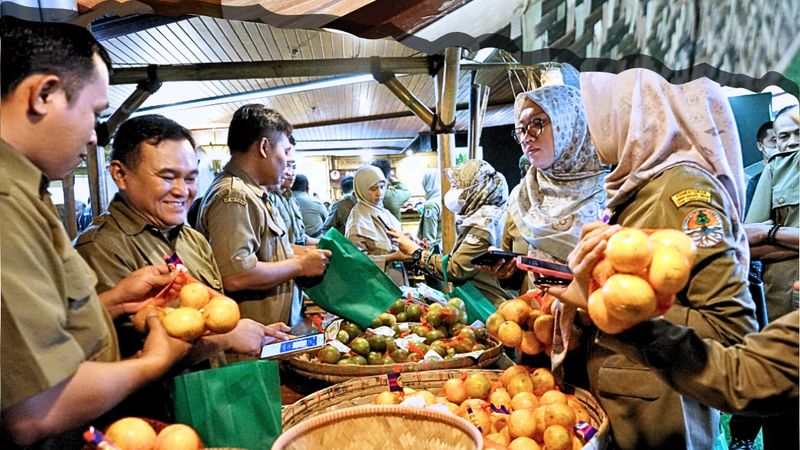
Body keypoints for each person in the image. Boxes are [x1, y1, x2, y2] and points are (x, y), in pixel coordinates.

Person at [0, 17, 190, 447]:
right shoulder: (5, 202)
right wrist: (153, 362)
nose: (92, 137)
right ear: (44, 94)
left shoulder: (27, 192)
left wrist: (115, 301)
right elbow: (36, 409)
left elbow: (29, 333)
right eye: (94, 113)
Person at [554, 69, 759, 449]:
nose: (590, 122)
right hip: (631, 410)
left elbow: (732, 334)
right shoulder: (640, 187)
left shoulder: (684, 190)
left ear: (634, 110)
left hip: (663, 417)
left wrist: (618, 304)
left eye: (597, 107)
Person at [75, 114, 292, 357]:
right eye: (167, 177)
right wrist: (225, 339)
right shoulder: (100, 248)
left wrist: (246, 330)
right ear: (120, 174)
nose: (182, 191)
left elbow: (205, 317)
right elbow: (120, 353)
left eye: (190, 178)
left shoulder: (192, 239)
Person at [196, 104, 331, 326]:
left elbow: (270, 255)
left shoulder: (254, 193)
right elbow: (236, 276)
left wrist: (307, 256)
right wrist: (300, 266)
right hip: (255, 339)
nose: (288, 161)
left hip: (272, 330)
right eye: (285, 151)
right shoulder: (234, 195)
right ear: (264, 147)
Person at [391, 160, 512, 305]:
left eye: (456, 186)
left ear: (475, 188)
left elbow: (456, 269)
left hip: (488, 304)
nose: (453, 192)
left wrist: (416, 253)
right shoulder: (483, 215)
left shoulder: (484, 222)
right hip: (484, 300)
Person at [745, 105, 799, 322]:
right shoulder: (774, 170)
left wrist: (772, 232)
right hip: (783, 299)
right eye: (784, 136)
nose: (793, 142)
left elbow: (759, 234)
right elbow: (749, 242)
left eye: (799, 133)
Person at [346, 164, 409, 286]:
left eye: (382, 186)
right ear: (362, 189)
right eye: (373, 189)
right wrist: (391, 257)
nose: (379, 193)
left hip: (396, 280)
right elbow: (356, 262)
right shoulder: (358, 221)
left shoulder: (383, 212)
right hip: (376, 287)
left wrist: (408, 240)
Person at [292, 173, 329, 238]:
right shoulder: (317, 202)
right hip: (317, 243)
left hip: (293, 244)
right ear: (307, 188)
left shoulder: (283, 202)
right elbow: (328, 222)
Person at [416, 169, 442, 252]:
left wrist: (426, 258)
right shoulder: (444, 200)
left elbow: (429, 238)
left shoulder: (431, 205)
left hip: (436, 252)